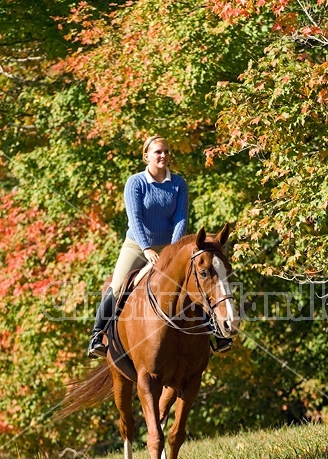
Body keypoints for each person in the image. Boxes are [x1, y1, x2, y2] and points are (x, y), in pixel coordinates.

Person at [87, 134, 231, 358]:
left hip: (170, 247)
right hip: (137, 245)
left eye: (166, 152)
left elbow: (181, 219)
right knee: (115, 286)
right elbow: (135, 219)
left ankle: (217, 334)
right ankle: (97, 335)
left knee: (198, 283)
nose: (163, 155)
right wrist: (146, 248)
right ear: (147, 156)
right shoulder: (135, 182)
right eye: (157, 152)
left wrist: (172, 252)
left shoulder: (178, 184)